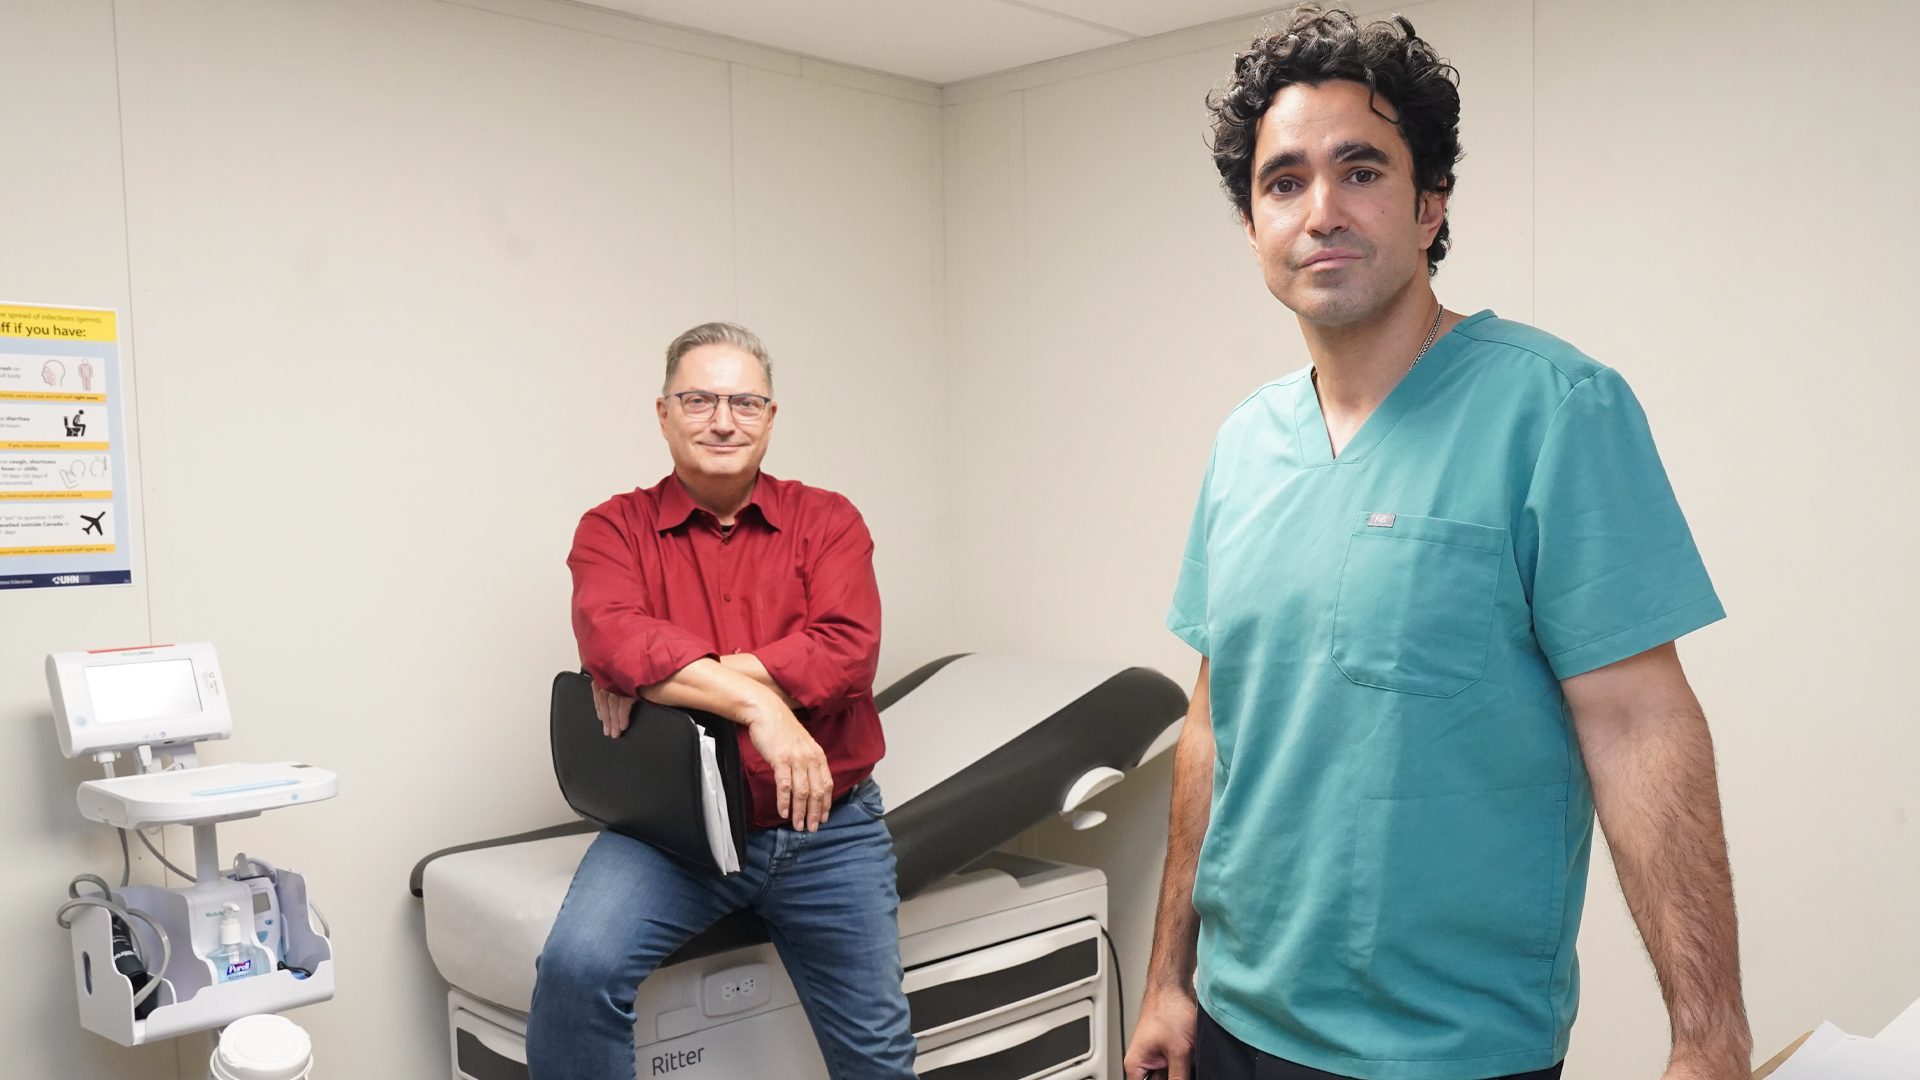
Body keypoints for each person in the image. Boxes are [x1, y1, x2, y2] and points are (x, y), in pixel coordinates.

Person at [1126, 9, 1750, 1080]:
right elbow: (1212, 724)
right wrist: (1168, 980)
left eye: (1359, 170)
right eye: (1283, 182)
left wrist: (1710, 1035)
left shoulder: (1555, 411)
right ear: (1252, 229)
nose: (1321, 210)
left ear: (1429, 206)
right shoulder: (1245, 444)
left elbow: (1642, 727)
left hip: (1443, 1052)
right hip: (1231, 1024)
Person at [527, 322, 915, 1080]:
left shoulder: (829, 520)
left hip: (827, 828)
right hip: (674, 835)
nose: (723, 419)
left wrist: (668, 676)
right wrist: (764, 708)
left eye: (744, 401)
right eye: (699, 399)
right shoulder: (613, 530)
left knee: (879, 1057)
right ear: (664, 412)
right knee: (576, 973)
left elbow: (845, 651)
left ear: (770, 417)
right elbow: (612, 640)